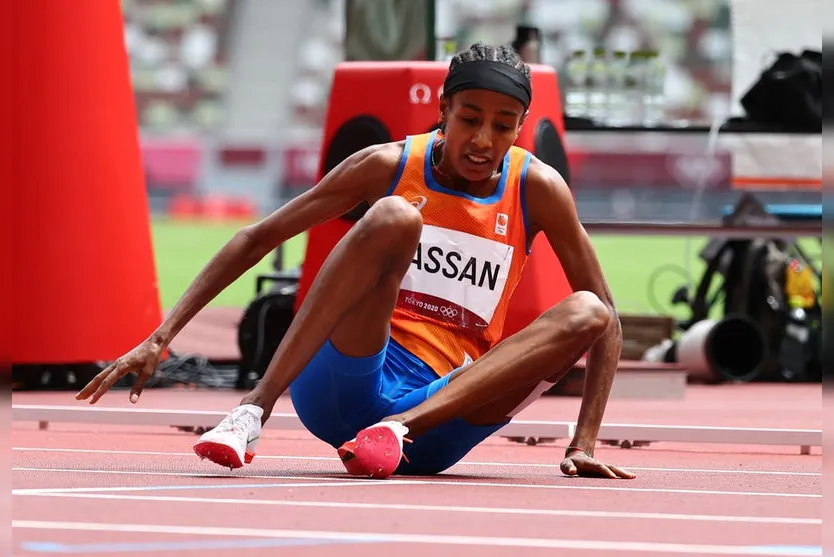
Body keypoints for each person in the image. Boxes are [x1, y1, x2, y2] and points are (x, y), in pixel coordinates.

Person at [76, 43, 635, 481]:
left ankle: (393, 430)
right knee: (395, 216)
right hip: (349, 380)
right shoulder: (388, 164)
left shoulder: (537, 187)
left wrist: (584, 442)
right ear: (443, 110)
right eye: (470, 119)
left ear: (521, 127)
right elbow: (258, 236)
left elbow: (606, 320)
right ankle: (251, 413)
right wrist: (161, 335)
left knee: (588, 310)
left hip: (437, 421)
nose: (482, 140)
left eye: (503, 124)